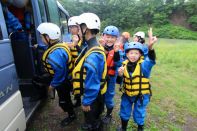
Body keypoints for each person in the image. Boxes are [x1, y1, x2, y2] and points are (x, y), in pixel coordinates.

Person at [72, 13, 107, 130]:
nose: (77, 30)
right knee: (93, 117)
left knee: (92, 119)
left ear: (85, 28)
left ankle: (94, 125)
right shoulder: (91, 46)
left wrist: (86, 102)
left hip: (94, 97)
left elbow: (93, 82)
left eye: (79, 27)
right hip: (96, 95)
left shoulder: (94, 54)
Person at [36, 22, 76, 127]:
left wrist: (52, 85)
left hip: (63, 81)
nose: (41, 39)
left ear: (48, 37)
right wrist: (38, 46)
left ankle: (71, 115)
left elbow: (60, 73)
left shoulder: (55, 54)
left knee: (64, 100)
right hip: (66, 76)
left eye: (42, 37)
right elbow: (48, 47)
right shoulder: (59, 44)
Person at [117, 35, 157, 131]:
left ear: (140, 55)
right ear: (127, 54)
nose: (133, 55)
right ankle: (123, 128)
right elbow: (119, 82)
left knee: (139, 112)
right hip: (127, 94)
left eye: (136, 53)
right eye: (131, 53)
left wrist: (150, 48)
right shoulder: (123, 65)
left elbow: (151, 60)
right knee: (124, 111)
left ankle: (140, 128)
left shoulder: (144, 65)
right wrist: (120, 75)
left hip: (141, 95)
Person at [101, 25, 122, 124]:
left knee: (108, 97)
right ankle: (100, 110)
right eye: (108, 36)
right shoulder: (99, 47)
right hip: (100, 77)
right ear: (103, 36)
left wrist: (116, 52)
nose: (109, 39)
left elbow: (118, 64)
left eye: (112, 37)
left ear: (116, 39)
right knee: (99, 95)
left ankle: (109, 114)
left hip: (111, 78)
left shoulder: (118, 51)